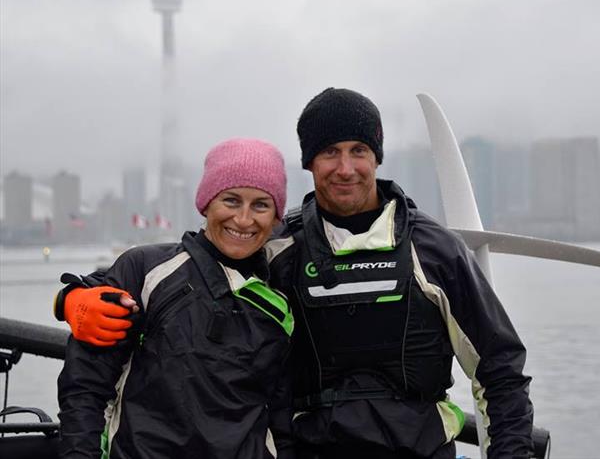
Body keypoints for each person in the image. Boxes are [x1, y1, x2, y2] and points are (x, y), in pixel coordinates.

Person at [57, 89, 536, 458]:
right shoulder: (277, 245)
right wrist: (75, 300)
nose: (345, 168)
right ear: (308, 161)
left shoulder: (437, 252)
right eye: (329, 152)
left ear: (377, 157)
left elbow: (499, 371)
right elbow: (193, 263)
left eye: (358, 150)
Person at [56, 138, 294, 459]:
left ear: (277, 216)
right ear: (206, 202)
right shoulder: (144, 270)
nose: (243, 219)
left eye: (261, 205)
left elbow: (282, 413)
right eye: (231, 200)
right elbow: (84, 386)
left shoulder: (282, 294)